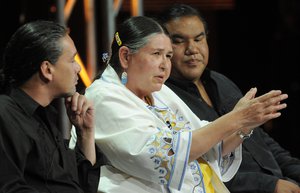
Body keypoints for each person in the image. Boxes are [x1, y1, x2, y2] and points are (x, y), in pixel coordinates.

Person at [75, 15, 288, 193]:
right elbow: (164, 155)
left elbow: (208, 144)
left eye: (168, 56)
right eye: (156, 54)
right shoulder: (103, 96)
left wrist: (244, 125)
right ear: (125, 57)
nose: (165, 65)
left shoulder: (159, 92)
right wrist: (235, 119)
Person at [158, 4, 300, 193]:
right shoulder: (163, 99)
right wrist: (269, 186)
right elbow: (196, 169)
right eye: (179, 41)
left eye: (199, 39)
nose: (192, 49)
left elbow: (261, 140)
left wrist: (295, 171)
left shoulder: (220, 81)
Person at [0, 20, 102, 193]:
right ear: (47, 69)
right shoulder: (5, 115)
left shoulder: (45, 116)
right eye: (72, 60)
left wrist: (85, 132)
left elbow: (81, 184)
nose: (78, 68)